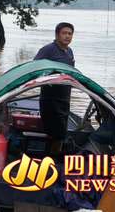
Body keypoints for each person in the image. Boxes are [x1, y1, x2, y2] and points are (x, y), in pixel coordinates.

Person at [34, 22, 75, 155]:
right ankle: (50, 159)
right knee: (55, 132)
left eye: (70, 34)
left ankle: (53, 158)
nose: (67, 36)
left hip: (65, 97)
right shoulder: (48, 50)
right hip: (50, 98)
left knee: (61, 132)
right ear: (57, 35)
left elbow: (71, 72)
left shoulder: (69, 51)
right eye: (64, 33)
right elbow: (35, 68)